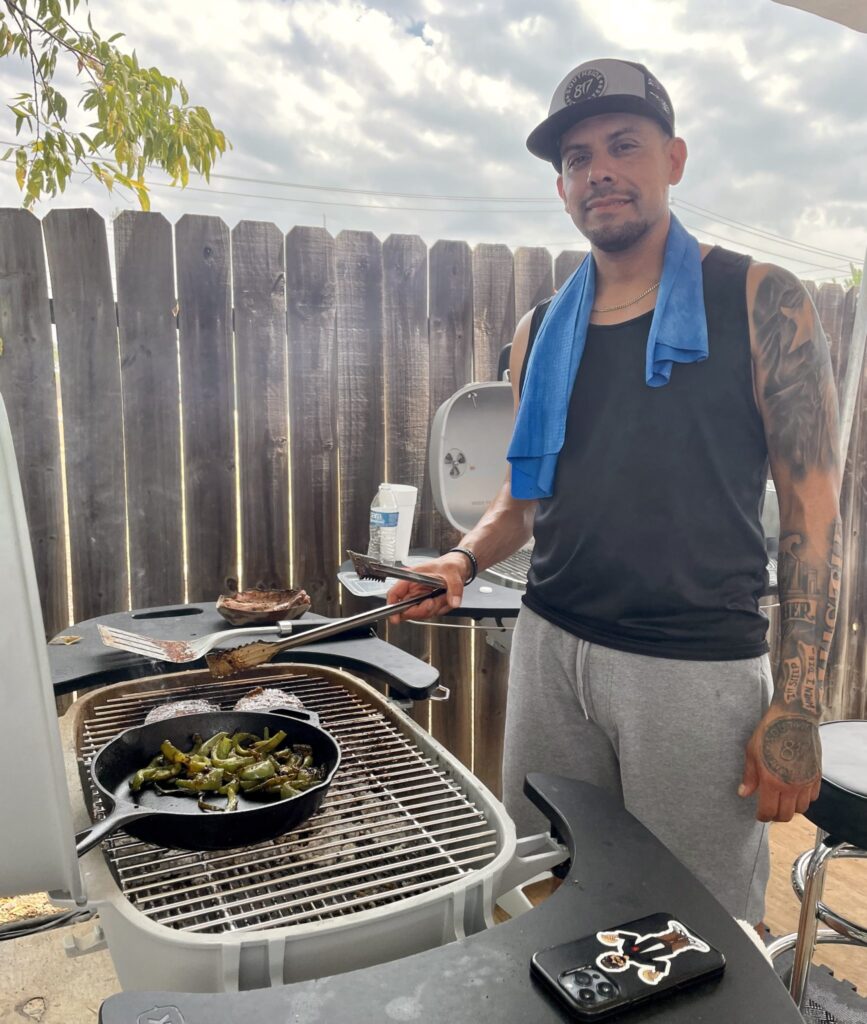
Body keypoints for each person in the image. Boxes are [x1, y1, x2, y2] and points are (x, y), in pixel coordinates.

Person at [387, 57, 842, 925]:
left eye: (622, 146)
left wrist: (796, 704)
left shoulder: (758, 300)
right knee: (546, 888)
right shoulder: (538, 330)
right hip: (552, 649)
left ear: (672, 159)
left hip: (692, 669)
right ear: (561, 191)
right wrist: (458, 558)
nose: (597, 170)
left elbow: (815, 516)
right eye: (575, 158)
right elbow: (521, 499)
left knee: (697, 926)